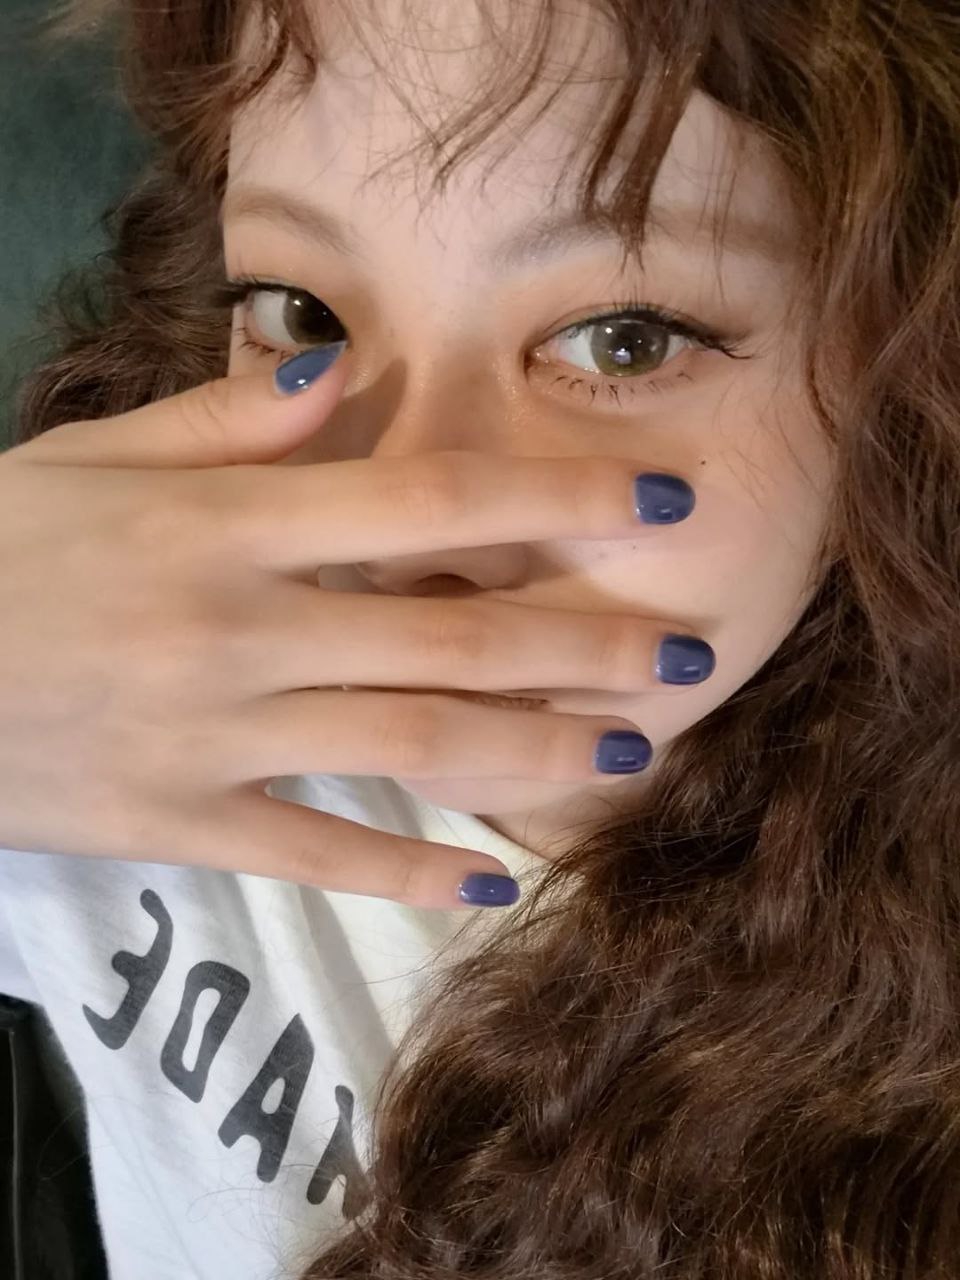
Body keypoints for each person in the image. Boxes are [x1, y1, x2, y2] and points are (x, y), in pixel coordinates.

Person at [2, 0, 958, 1275]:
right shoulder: (95, 679)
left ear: (907, 376)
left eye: (624, 339)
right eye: (303, 311)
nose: (404, 529)